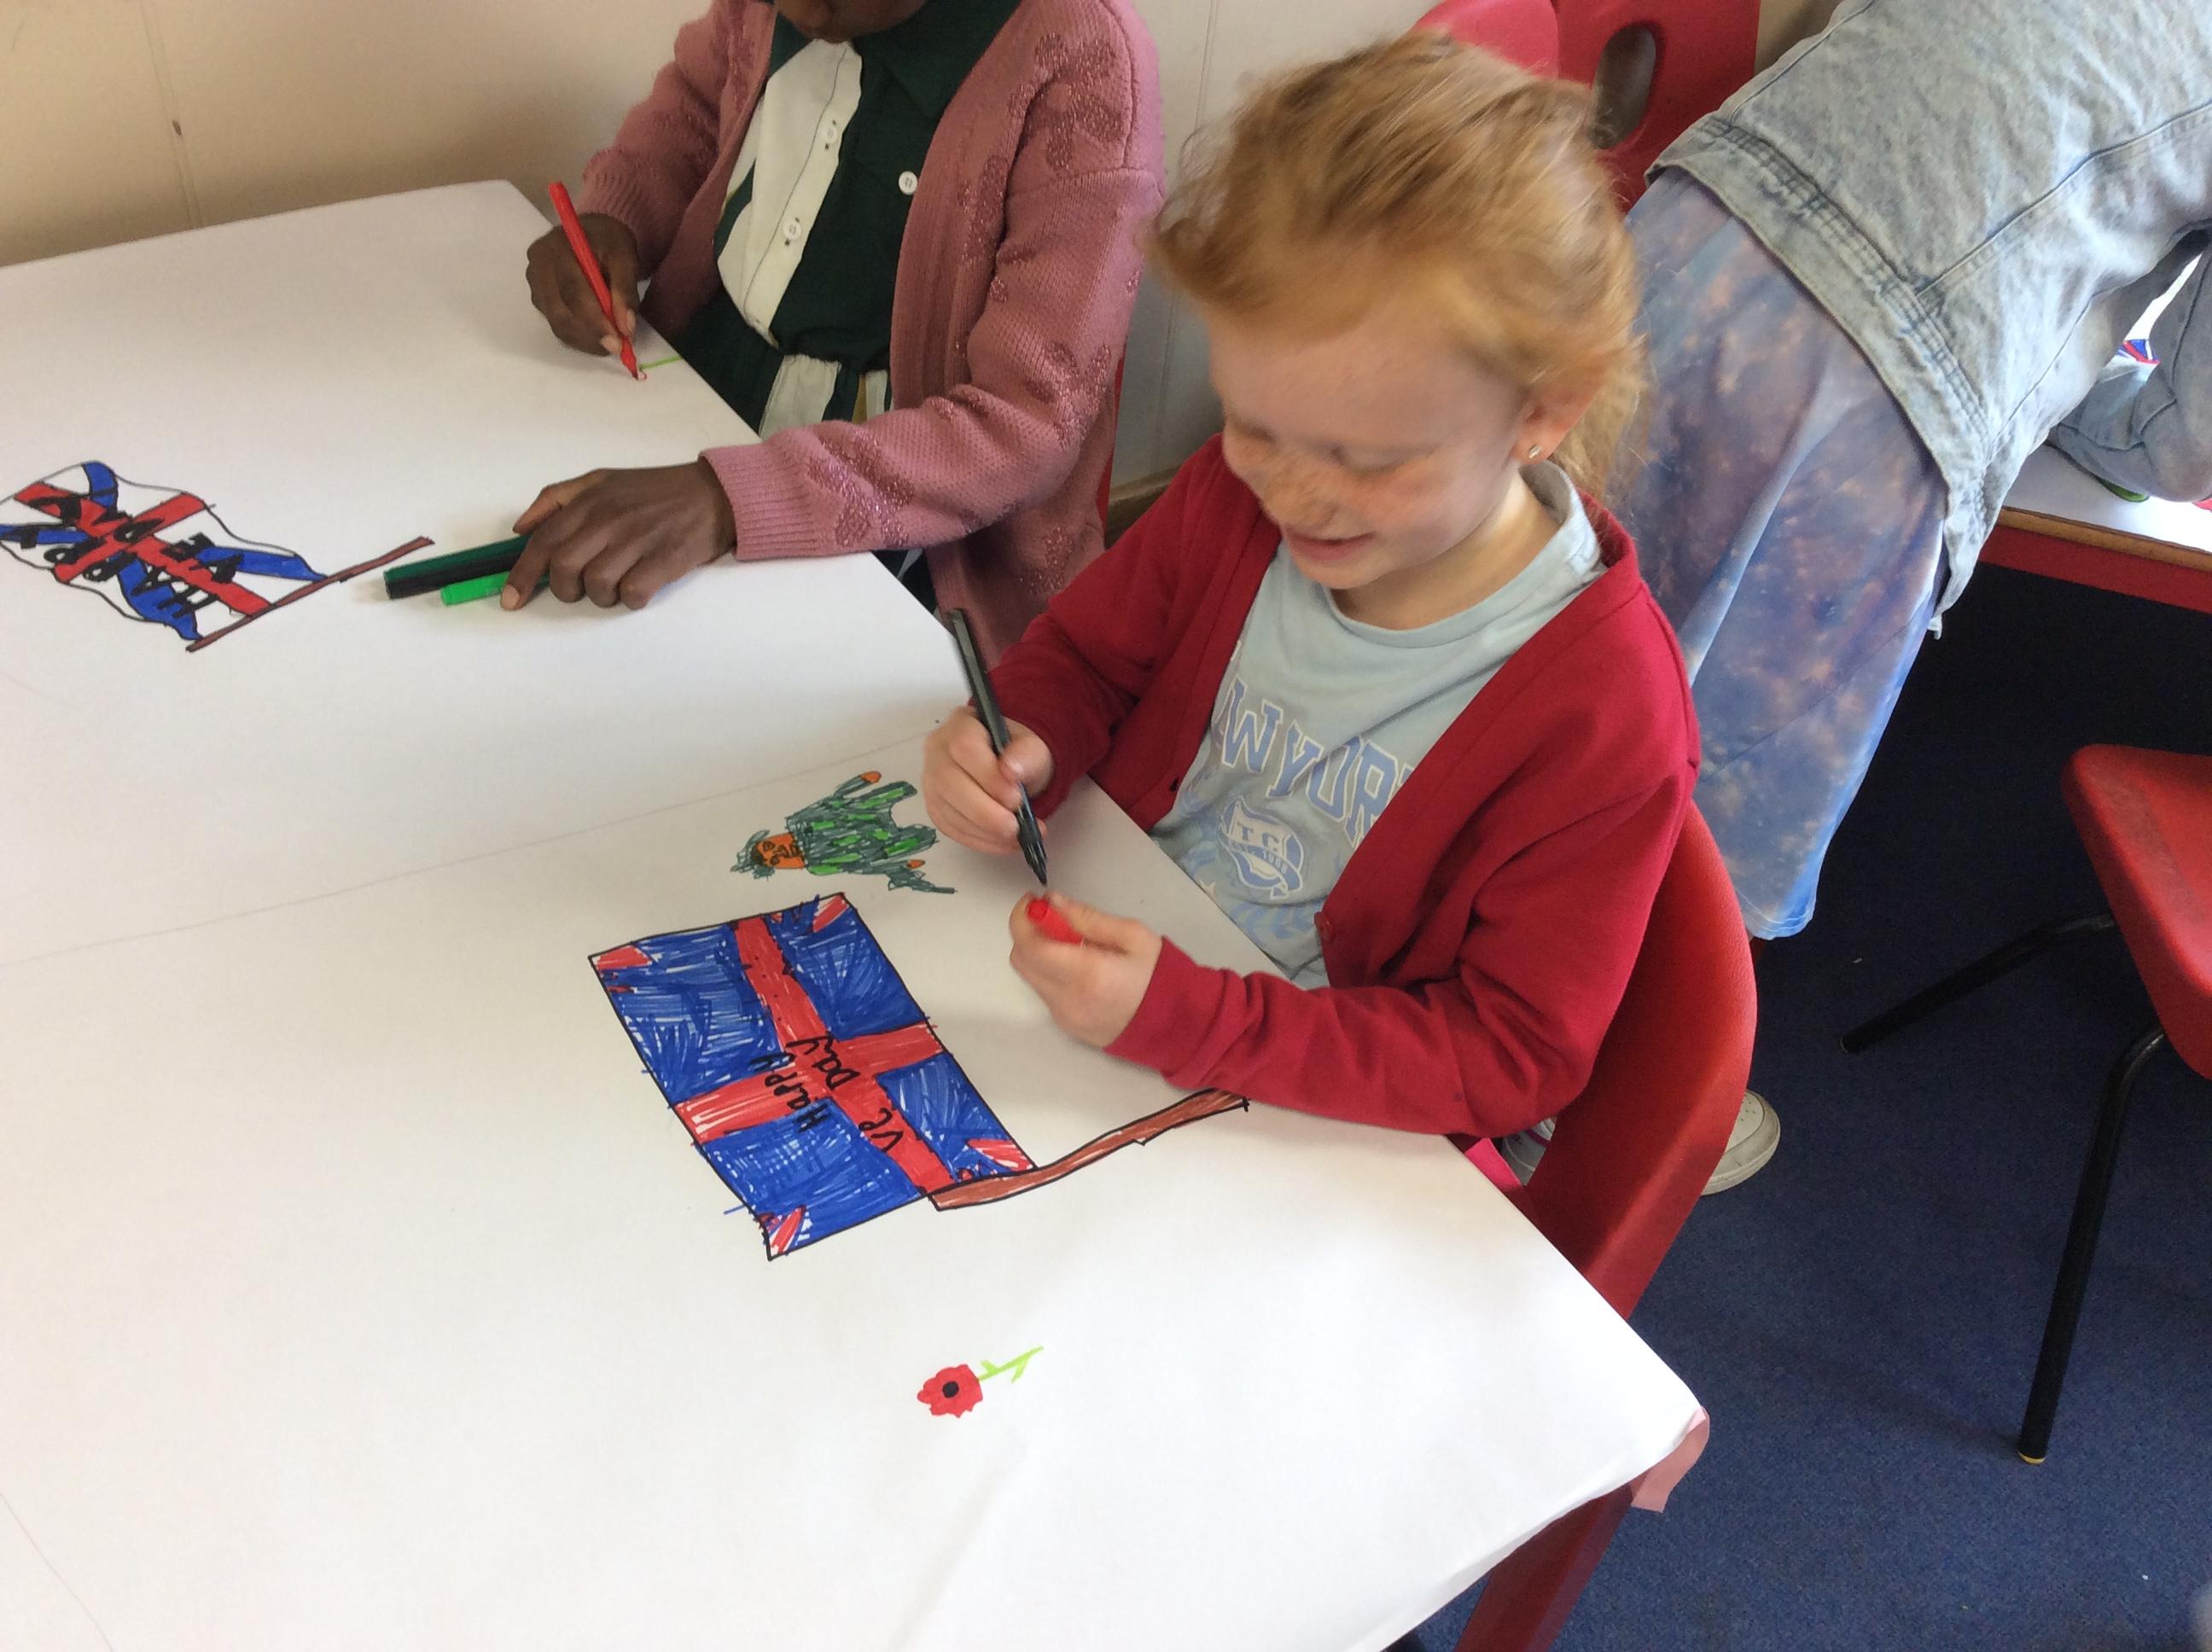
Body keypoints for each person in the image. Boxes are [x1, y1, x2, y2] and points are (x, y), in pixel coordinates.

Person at [918, 36, 1697, 1146]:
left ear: (1542, 413)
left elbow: (1510, 1055)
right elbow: (1088, 659)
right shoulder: (1233, 498)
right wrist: (1022, 741)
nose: (1290, 492)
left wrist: (1196, 1020)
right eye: (1253, 424)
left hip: (1306, 1114)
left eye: (1366, 458)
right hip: (1102, 986)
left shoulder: (1603, 709)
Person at [1609, 0, 2212, 1184]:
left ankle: (1422, 984)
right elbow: (2181, 444)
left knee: (1549, 647)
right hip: (1879, 381)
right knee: (1726, 774)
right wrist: (2052, 396)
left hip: (1683, 226)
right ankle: (1616, 1100)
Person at [509, 0, 1165, 659]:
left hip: (918, 533)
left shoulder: (1082, 62)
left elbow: (1023, 426)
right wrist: (615, 219)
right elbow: (697, 108)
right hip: (698, 403)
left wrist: (732, 499)